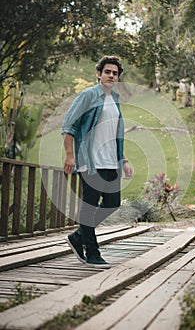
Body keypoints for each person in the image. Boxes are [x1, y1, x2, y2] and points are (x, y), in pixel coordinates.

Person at [62, 56, 133, 268]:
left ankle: (78, 236)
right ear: (99, 74)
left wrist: (124, 159)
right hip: (90, 161)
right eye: (107, 72)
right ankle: (92, 253)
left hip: (112, 162)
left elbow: (114, 134)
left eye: (115, 73)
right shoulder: (88, 95)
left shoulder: (115, 98)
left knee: (112, 203)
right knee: (89, 206)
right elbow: (69, 125)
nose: (111, 75)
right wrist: (69, 155)